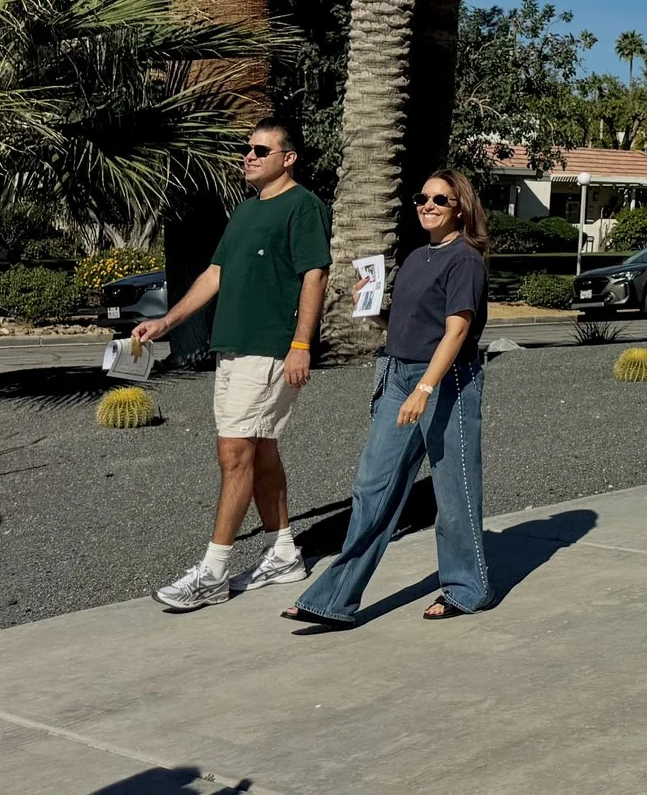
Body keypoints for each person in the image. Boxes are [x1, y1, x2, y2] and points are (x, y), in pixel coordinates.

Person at [134, 117, 329, 612]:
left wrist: (301, 344)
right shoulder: (245, 211)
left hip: (270, 348)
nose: (250, 156)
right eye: (248, 149)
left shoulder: (303, 206)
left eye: (261, 150)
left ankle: (213, 572)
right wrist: (167, 321)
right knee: (259, 450)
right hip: (234, 348)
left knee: (235, 453)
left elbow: (314, 276)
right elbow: (214, 273)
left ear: (288, 159)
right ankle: (283, 554)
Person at [283, 168, 491, 626]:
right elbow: (402, 324)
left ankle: (467, 589)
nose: (428, 206)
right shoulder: (417, 257)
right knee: (371, 487)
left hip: (446, 381)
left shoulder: (465, 260)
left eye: (440, 200)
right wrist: (371, 309)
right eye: (422, 198)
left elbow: (456, 332)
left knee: (454, 491)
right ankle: (334, 600)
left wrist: (425, 389)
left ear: (460, 208)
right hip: (398, 374)